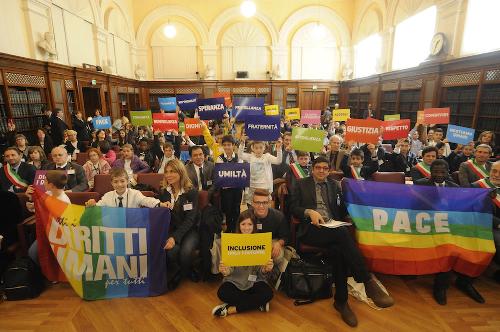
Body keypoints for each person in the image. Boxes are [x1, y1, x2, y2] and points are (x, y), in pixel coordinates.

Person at [290, 156, 393, 327]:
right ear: (312, 169)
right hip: (311, 229)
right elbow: (293, 208)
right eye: (318, 168)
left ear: (329, 170)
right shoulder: (301, 184)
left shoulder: (334, 185)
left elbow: (343, 209)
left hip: (333, 227)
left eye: (325, 168)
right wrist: (309, 212)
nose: (321, 171)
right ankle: (366, 279)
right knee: (342, 235)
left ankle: (341, 302)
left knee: (339, 250)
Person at [415, 159, 484, 305]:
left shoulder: (454, 187)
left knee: (473, 245)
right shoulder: (421, 184)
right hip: (426, 224)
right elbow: (414, 207)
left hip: (449, 225)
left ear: (447, 172)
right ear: (430, 172)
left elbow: (459, 208)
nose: (439, 174)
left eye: (442, 172)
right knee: (447, 247)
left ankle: (465, 281)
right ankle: (440, 287)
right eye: (435, 171)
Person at [212, 209, 274, 317]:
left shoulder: (260, 241)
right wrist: (225, 271)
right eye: (243, 224)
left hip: (254, 281)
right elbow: (229, 268)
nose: (246, 227)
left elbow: (261, 271)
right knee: (222, 292)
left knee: (268, 293)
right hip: (235, 281)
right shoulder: (232, 241)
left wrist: (265, 269)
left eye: (250, 224)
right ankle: (257, 303)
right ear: (239, 225)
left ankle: (231, 309)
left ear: (254, 226)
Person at [157, 159, 199, 289]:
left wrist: (174, 238)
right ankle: (185, 269)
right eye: (167, 172)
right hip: (173, 229)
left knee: (185, 253)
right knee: (170, 252)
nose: (168, 175)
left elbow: (190, 220)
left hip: (190, 229)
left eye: (172, 171)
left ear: (180, 172)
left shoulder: (190, 191)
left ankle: (181, 275)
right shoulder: (164, 191)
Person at [25, 171, 71, 265]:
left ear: (52, 185)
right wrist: (30, 197)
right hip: (47, 232)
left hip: (58, 236)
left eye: (45, 181)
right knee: (32, 253)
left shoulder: (63, 201)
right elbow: (33, 208)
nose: (43, 183)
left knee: (33, 253)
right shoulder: (49, 193)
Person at [85, 168, 169, 209]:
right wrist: (92, 205)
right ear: (111, 183)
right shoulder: (107, 196)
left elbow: (147, 200)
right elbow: (98, 206)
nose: (119, 184)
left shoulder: (135, 193)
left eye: (122, 181)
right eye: (115, 182)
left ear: (128, 181)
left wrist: (161, 204)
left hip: (131, 227)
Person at [472, 161, 500, 283]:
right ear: (490, 170)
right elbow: (478, 211)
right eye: (494, 171)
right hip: (484, 224)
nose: (497, 175)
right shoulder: (477, 187)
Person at [238, 137, 282, 204]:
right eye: (256, 148)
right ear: (252, 148)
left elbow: (278, 161)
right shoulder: (250, 156)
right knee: (252, 207)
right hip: (252, 187)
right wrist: (242, 144)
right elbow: (240, 155)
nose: (258, 150)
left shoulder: (267, 157)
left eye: (261, 147)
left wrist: (279, 149)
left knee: (263, 207)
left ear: (264, 147)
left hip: (264, 187)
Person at [250, 189, 289, 261]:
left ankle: (272, 270)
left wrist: (278, 244)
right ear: (252, 203)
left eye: (264, 202)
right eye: (258, 202)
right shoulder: (245, 216)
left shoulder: (279, 216)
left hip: (271, 241)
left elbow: (285, 237)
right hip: (251, 241)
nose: (261, 206)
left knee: (278, 256)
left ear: (269, 203)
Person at [216, 135, 242, 233]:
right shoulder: (220, 158)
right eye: (225, 145)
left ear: (233, 146)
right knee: (227, 209)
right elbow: (221, 175)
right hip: (226, 189)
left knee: (236, 208)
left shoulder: (239, 157)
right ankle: (229, 228)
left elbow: (241, 173)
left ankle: (235, 228)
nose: (227, 147)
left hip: (237, 188)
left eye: (229, 145)